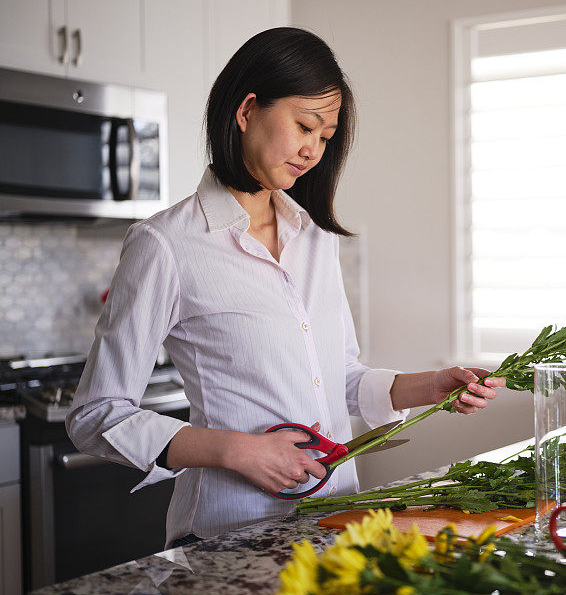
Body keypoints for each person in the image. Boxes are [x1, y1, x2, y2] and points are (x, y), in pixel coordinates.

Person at [66, 27, 505, 550]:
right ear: (248, 109)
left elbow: (338, 377)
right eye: (305, 126)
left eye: (325, 137)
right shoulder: (165, 245)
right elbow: (96, 415)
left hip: (334, 522)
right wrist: (239, 451)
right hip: (226, 535)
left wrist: (430, 386)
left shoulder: (314, 237)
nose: (314, 151)